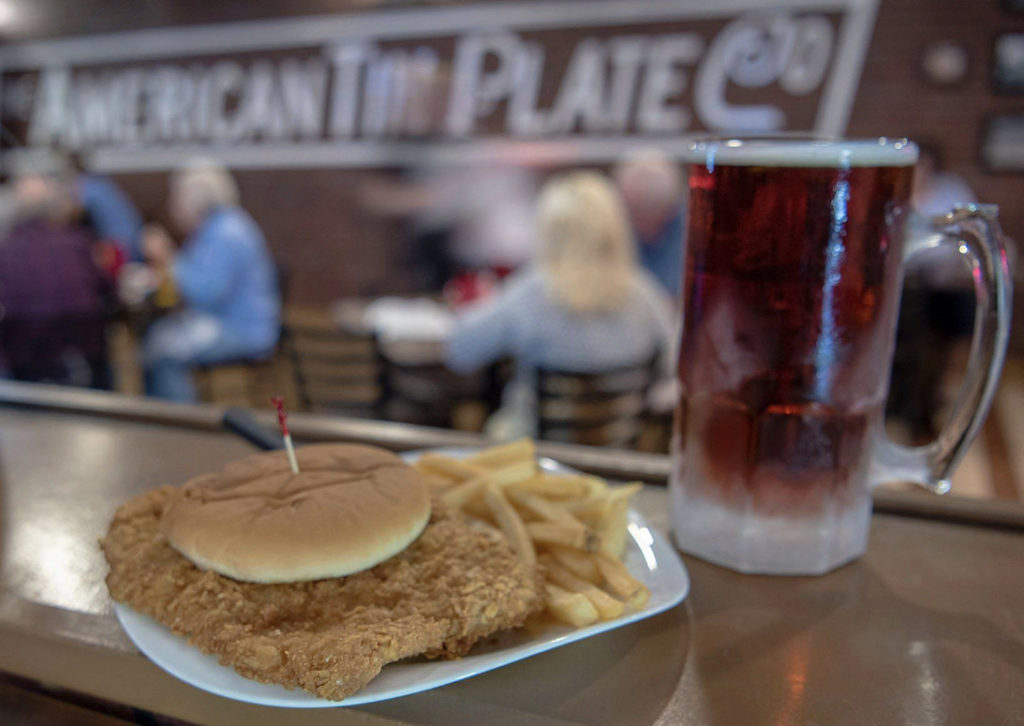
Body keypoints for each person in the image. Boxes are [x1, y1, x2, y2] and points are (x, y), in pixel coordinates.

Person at [446, 171, 675, 439]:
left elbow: (459, 353)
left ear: (547, 228)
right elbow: (675, 368)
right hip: (620, 450)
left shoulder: (530, 292)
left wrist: (476, 306)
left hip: (535, 456)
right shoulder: (643, 292)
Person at [142, 160, 280, 401]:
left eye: (177, 198)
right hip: (227, 322)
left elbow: (205, 294)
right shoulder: (218, 226)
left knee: (164, 353)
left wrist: (168, 258)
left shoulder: (226, 233)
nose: (173, 206)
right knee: (155, 339)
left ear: (195, 199)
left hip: (241, 330)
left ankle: (182, 428)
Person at [0, 170, 112, 387]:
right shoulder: (79, 242)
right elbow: (109, 290)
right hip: (85, 358)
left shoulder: (5, 250)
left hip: (24, 367)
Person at [613, 149, 686, 299]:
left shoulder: (692, 232)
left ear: (670, 209)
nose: (641, 225)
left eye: (651, 214)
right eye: (635, 213)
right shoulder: (609, 225)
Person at [71, 155, 144, 262]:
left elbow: (71, 215)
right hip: (136, 243)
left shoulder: (87, 186)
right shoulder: (103, 182)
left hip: (122, 250)